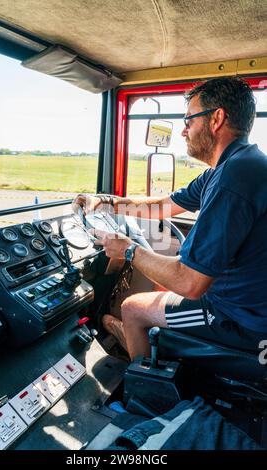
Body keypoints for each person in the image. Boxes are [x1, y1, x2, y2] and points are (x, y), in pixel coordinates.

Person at [73, 76, 267, 361]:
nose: (183, 132)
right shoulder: (234, 166)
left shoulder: (231, 180)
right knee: (162, 285)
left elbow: (190, 283)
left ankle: (142, 392)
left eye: (189, 120)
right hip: (246, 300)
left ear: (216, 119)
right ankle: (129, 335)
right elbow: (161, 207)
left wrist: (128, 249)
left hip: (241, 318)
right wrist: (106, 201)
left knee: (133, 308)